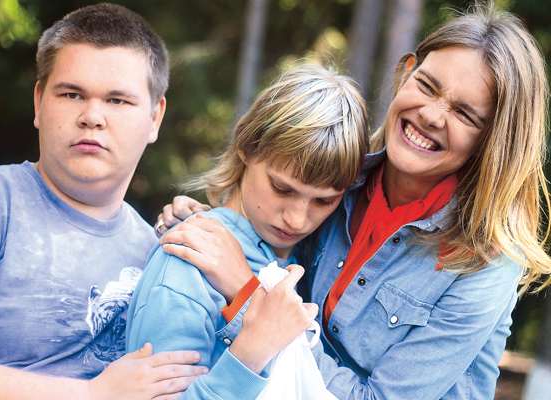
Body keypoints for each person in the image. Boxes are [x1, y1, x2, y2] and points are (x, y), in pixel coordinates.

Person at [156, 4, 551, 399]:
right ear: (404, 73)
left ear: (495, 140)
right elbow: (262, 241)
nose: (431, 115)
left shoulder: (482, 264)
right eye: (427, 86)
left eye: (464, 113)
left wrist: (247, 291)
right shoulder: (338, 184)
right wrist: (205, 226)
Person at [0, 4, 208, 399]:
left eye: (118, 101)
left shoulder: (160, 253)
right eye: (72, 94)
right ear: (39, 102)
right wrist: (92, 395)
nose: (92, 116)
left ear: (155, 117)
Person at [126, 65, 370, 399]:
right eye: (281, 188)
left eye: (324, 201)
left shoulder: (311, 256)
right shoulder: (189, 261)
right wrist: (250, 356)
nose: (297, 220)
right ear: (246, 148)